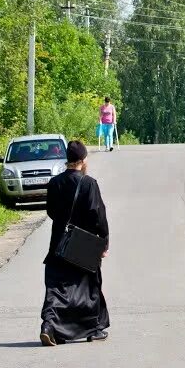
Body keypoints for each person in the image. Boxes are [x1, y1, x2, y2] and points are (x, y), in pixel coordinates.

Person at [40, 140, 110, 346]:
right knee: (89, 287)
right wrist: (103, 242)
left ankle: (49, 326)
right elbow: (98, 215)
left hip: (59, 242)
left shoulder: (54, 183)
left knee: (56, 288)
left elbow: (51, 212)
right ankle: (94, 329)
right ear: (83, 160)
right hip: (84, 244)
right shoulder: (89, 183)